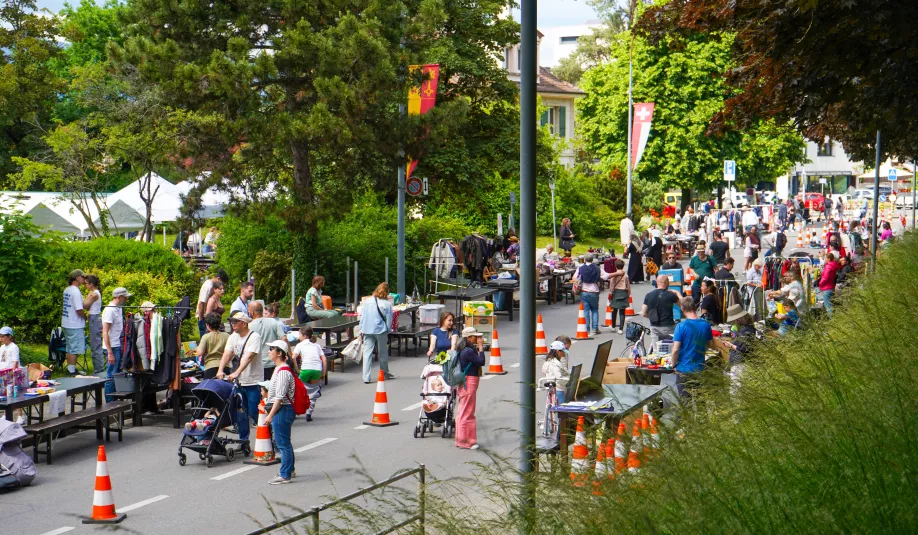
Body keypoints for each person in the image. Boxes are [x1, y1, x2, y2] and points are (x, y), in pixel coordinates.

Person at [216, 311, 265, 445]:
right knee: (241, 412)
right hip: (239, 382)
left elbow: (249, 357)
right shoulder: (233, 337)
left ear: (243, 323)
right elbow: (227, 353)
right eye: (231, 322)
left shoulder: (254, 337)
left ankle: (268, 434)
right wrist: (220, 369)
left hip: (252, 380)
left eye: (235, 322)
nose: (232, 324)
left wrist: (237, 372)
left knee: (254, 411)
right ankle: (244, 440)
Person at [263, 340, 298, 485]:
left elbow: (280, 397)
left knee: (282, 443)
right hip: (283, 409)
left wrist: (270, 416)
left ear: (279, 353)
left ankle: (285, 475)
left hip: (283, 409)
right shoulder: (279, 369)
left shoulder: (283, 371)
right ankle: (289, 470)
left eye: (271, 349)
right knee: (284, 443)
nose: (269, 351)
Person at [671, 297, 715, 398]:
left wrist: (673, 365)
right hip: (700, 369)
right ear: (695, 307)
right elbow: (710, 345)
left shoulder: (681, 326)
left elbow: (675, 350)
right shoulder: (705, 325)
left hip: (684, 369)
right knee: (701, 403)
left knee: (686, 404)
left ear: (682, 309)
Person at [455, 327, 486, 450]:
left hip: (465, 381)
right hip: (469, 381)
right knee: (468, 413)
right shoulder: (468, 351)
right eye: (475, 337)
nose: (478, 338)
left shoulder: (464, 349)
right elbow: (481, 361)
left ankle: (460, 440)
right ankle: (467, 441)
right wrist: (481, 347)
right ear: (468, 338)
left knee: (462, 412)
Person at [360, 283, 394, 383]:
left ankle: (366, 377)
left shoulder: (367, 301)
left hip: (367, 329)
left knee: (367, 354)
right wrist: (388, 330)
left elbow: (363, 316)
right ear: (387, 292)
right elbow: (389, 320)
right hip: (380, 330)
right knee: (382, 353)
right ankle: (384, 373)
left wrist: (361, 328)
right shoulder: (387, 304)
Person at [102, 287, 131, 402]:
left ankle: (116, 400)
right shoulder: (109, 310)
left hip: (118, 345)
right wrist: (109, 352)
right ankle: (109, 403)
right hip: (112, 347)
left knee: (117, 375)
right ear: (119, 297)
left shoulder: (119, 309)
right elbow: (105, 332)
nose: (126, 299)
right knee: (111, 376)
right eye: (125, 297)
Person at [293, 326, 325, 422]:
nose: (299, 336)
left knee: (298, 390)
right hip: (317, 370)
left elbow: (293, 357)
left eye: (299, 334)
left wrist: (297, 369)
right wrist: (323, 372)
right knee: (313, 391)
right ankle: (309, 413)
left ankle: (295, 411)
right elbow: (324, 359)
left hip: (305, 369)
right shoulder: (317, 346)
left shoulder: (300, 345)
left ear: (304, 335)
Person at [722, 304, 756, 394]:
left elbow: (743, 349)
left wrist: (730, 345)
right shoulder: (749, 327)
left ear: (738, 319)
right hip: (742, 362)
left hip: (740, 362)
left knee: (736, 391)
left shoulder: (745, 330)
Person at [573, 253, 610, 335]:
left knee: (585, 310)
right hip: (594, 292)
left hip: (584, 291)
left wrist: (580, 280)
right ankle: (595, 328)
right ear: (592, 260)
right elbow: (606, 276)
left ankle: (586, 328)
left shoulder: (580, 268)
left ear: (585, 260)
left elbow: (574, 278)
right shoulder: (598, 268)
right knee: (594, 310)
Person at [641, 275, 681, 342]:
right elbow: (683, 305)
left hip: (654, 326)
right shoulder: (671, 295)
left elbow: (644, 313)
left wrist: (653, 317)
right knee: (669, 348)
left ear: (657, 282)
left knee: (656, 349)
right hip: (668, 326)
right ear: (666, 282)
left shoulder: (648, 295)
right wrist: (677, 293)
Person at [62, 269, 87, 376]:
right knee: (74, 348)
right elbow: (79, 309)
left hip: (67, 322)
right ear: (77, 278)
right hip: (74, 323)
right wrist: (86, 317)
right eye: (83, 277)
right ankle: (71, 371)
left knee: (70, 347)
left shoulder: (67, 290)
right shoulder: (76, 292)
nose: (84, 279)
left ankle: (71, 368)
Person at [249, 301, 286, 367]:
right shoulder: (273, 322)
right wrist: (288, 354)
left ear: (252, 312)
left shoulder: (249, 326)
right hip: (274, 361)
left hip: (258, 364)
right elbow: (284, 338)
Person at [0, 326, 23, 423]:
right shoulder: (2, 347)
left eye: (3, 336)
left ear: (9, 336)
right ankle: (6, 414)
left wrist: (12, 373)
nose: (1, 338)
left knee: (15, 395)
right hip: (3, 373)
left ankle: (20, 416)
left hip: (11, 373)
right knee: (5, 395)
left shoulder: (14, 347)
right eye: (0, 336)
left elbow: (15, 361)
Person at [197, 312, 229, 379]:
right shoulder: (227, 336)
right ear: (220, 323)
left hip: (210, 367)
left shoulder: (206, 337)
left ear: (207, 325)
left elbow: (200, 353)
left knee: (210, 388)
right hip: (225, 366)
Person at [196, 270, 228, 336]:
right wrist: (201, 320)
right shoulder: (208, 286)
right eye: (221, 283)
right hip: (205, 318)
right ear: (218, 279)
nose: (222, 290)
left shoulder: (212, 286)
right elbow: (201, 304)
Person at [83, 275, 104, 375]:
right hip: (92, 318)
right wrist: (87, 297)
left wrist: (87, 298)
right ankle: (98, 369)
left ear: (91, 284)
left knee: (96, 346)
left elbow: (84, 305)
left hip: (95, 319)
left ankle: (99, 370)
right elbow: (86, 307)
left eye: (86, 283)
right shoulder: (92, 294)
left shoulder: (95, 294)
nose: (85, 285)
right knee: (94, 345)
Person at [608, 259, 630, 334]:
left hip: (616, 292)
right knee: (622, 312)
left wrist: (610, 293)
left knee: (614, 311)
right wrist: (628, 294)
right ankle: (620, 328)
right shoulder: (626, 275)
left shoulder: (614, 275)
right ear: (623, 267)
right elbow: (628, 285)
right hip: (623, 292)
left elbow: (612, 285)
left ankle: (613, 326)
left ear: (615, 266)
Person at [818, 252, 840, 317]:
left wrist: (820, 283)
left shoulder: (828, 266)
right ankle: (832, 318)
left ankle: (831, 320)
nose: (824, 259)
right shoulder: (833, 265)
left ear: (829, 259)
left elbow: (825, 277)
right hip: (831, 286)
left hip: (826, 287)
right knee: (830, 304)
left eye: (825, 258)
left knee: (828, 305)